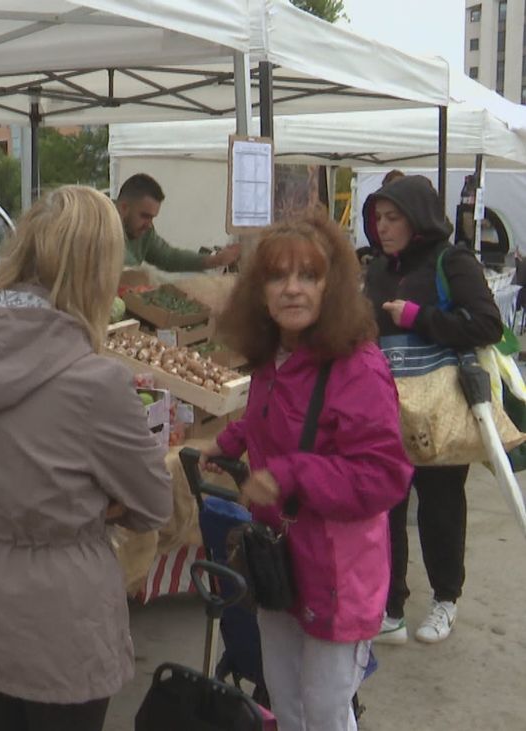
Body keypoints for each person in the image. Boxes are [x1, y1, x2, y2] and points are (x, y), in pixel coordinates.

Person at [0, 185, 174, 731]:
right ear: (96, 270)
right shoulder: (97, 384)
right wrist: (100, 505)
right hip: (59, 627)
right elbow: (155, 503)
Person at [201, 211, 413, 731]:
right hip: (281, 560)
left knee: (325, 710)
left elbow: (384, 477)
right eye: (277, 276)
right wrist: (232, 438)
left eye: (309, 276)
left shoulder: (358, 368)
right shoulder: (275, 357)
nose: (292, 290)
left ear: (332, 286)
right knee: (286, 698)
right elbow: (271, 415)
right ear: (260, 290)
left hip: (339, 571)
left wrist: (292, 474)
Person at [362, 175, 504, 645]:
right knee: (387, 506)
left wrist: (418, 318)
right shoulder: (379, 267)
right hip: (386, 404)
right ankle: (391, 606)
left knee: (441, 505)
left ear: (417, 217)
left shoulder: (451, 260)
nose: (381, 227)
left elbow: (487, 323)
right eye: (378, 218)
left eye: (392, 218)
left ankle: (446, 598)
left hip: (440, 405)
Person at [115, 173, 242, 272]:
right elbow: (126, 266)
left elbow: (169, 257)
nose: (148, 224)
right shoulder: (101, 226)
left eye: (152, 218)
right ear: (123, 208)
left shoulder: (144, 231)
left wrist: (215, 260)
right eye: (144, 216)